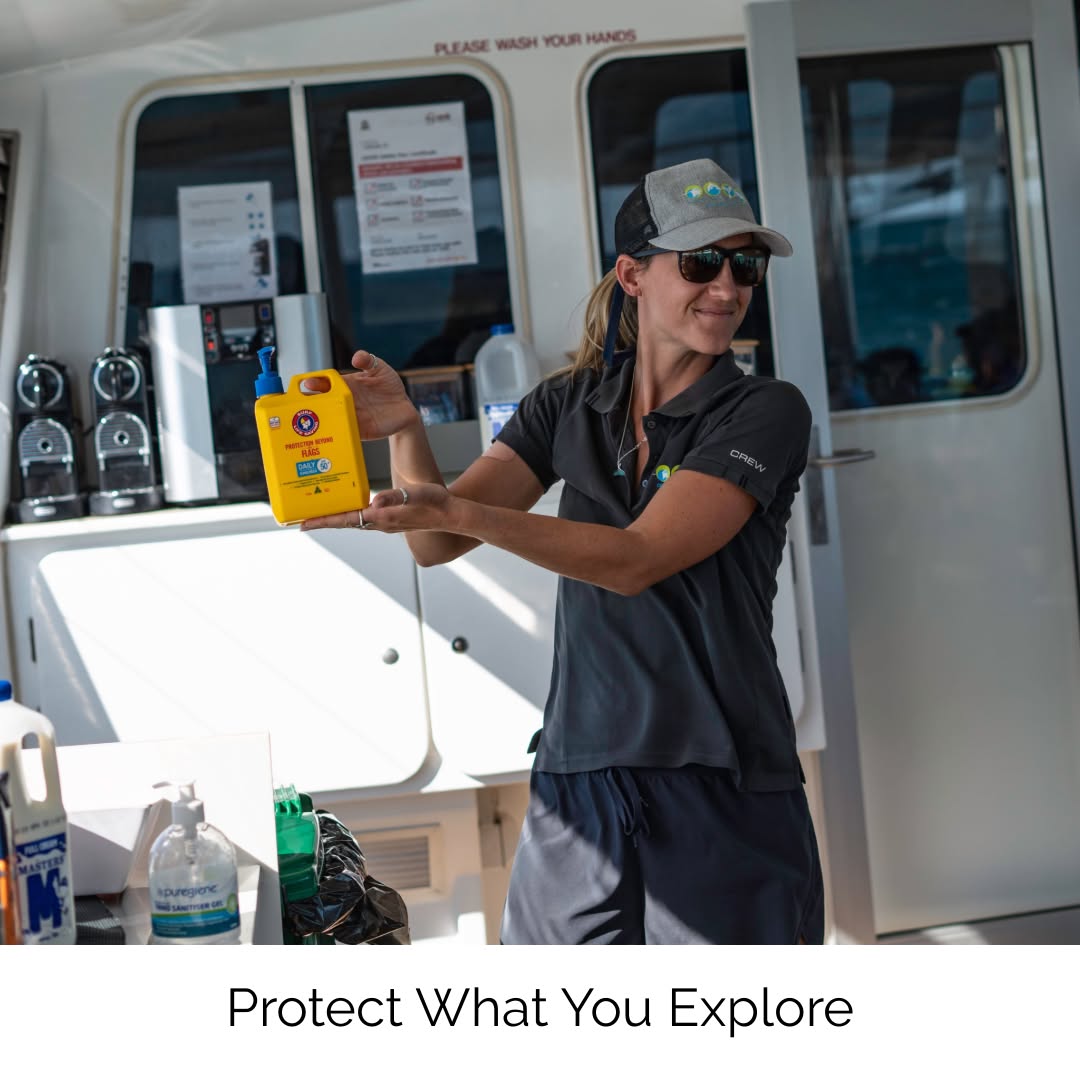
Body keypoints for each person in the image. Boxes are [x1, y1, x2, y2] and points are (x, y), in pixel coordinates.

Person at [300, 158, 824, 945]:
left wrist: (460, 507)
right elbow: (437, 542)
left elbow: (635, 557)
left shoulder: (763, 410)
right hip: (579, 769)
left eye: (745, 265)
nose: (728, 286)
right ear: (633, 274)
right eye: (702, 262)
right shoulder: (567, 404)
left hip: (720, 768)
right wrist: (408, 432)